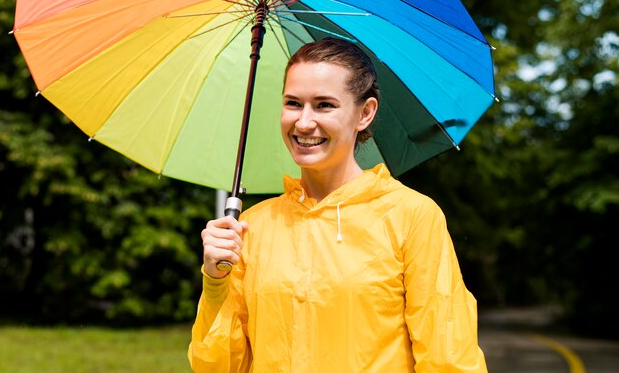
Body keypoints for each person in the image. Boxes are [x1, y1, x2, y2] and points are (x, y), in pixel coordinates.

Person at [188, 38, 487, 372]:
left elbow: (448, 358)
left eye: (324, 105)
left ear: (365, 113)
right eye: (293, 103)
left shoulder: (411, 216)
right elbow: (219, 366)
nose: (303, 122)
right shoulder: (251, 227)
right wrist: (215, 280)